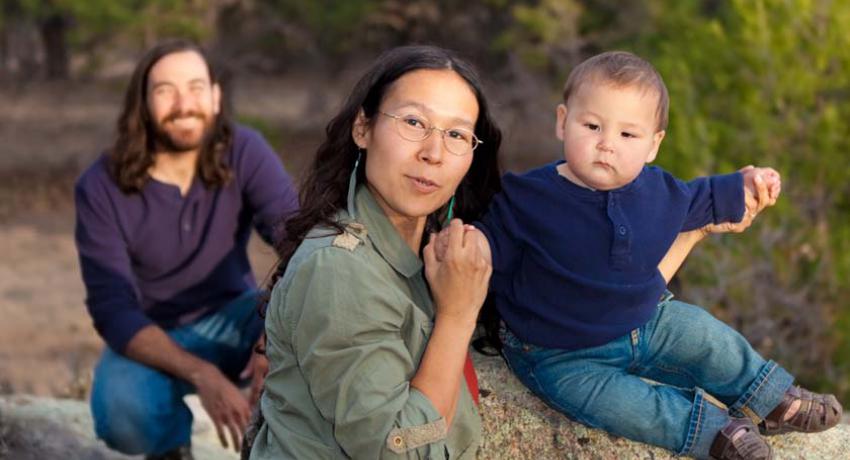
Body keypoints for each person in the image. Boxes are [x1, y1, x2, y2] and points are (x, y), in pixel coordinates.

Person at [435, 51, 842, 460]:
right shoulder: (528, 196)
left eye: (628, 135)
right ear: (563, 121)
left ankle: (769, 397)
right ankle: (717, 433)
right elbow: (487, 245)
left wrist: (749, 182)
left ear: (653, 144)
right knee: (628, 406)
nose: (607, 144)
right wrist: (466, 245)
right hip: (557, 354)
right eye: (592, 126)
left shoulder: (660, 190)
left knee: (703, 335)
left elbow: (709, 196)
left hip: (647, 321)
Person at [247, 45, 503, 459]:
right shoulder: (339, 268)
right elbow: (397, 451)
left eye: (456, 134)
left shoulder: (433, 248)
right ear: (362, 128)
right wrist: (458, 314)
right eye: (414, 122)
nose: (433, 153)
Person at [74, 39, 298, 460]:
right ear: (142, 103)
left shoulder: (244, 150)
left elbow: (299, 240)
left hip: (238, 316)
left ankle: (283, 447)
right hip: (151, 331)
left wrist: (277, 337)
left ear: (216, 97)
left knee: (310, 333)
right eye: (165, 91)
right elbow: (112, 308)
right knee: (122, 413)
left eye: (196, 87)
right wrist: (205, 375)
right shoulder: (100, 185)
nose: (184, 103)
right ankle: (171, 449)